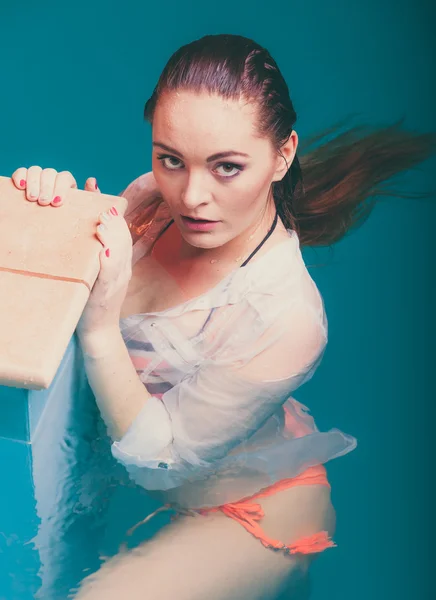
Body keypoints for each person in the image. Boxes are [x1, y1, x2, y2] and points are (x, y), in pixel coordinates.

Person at [12, 34, 434, 600]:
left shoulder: (289, 319)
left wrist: (99, 323)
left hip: (250, 507)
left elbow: (157, 463)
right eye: (170, 159)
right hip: (215, 419)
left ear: (283, 155)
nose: (191, 196)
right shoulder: (153, 201)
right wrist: (47, 212)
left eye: (227, 167)